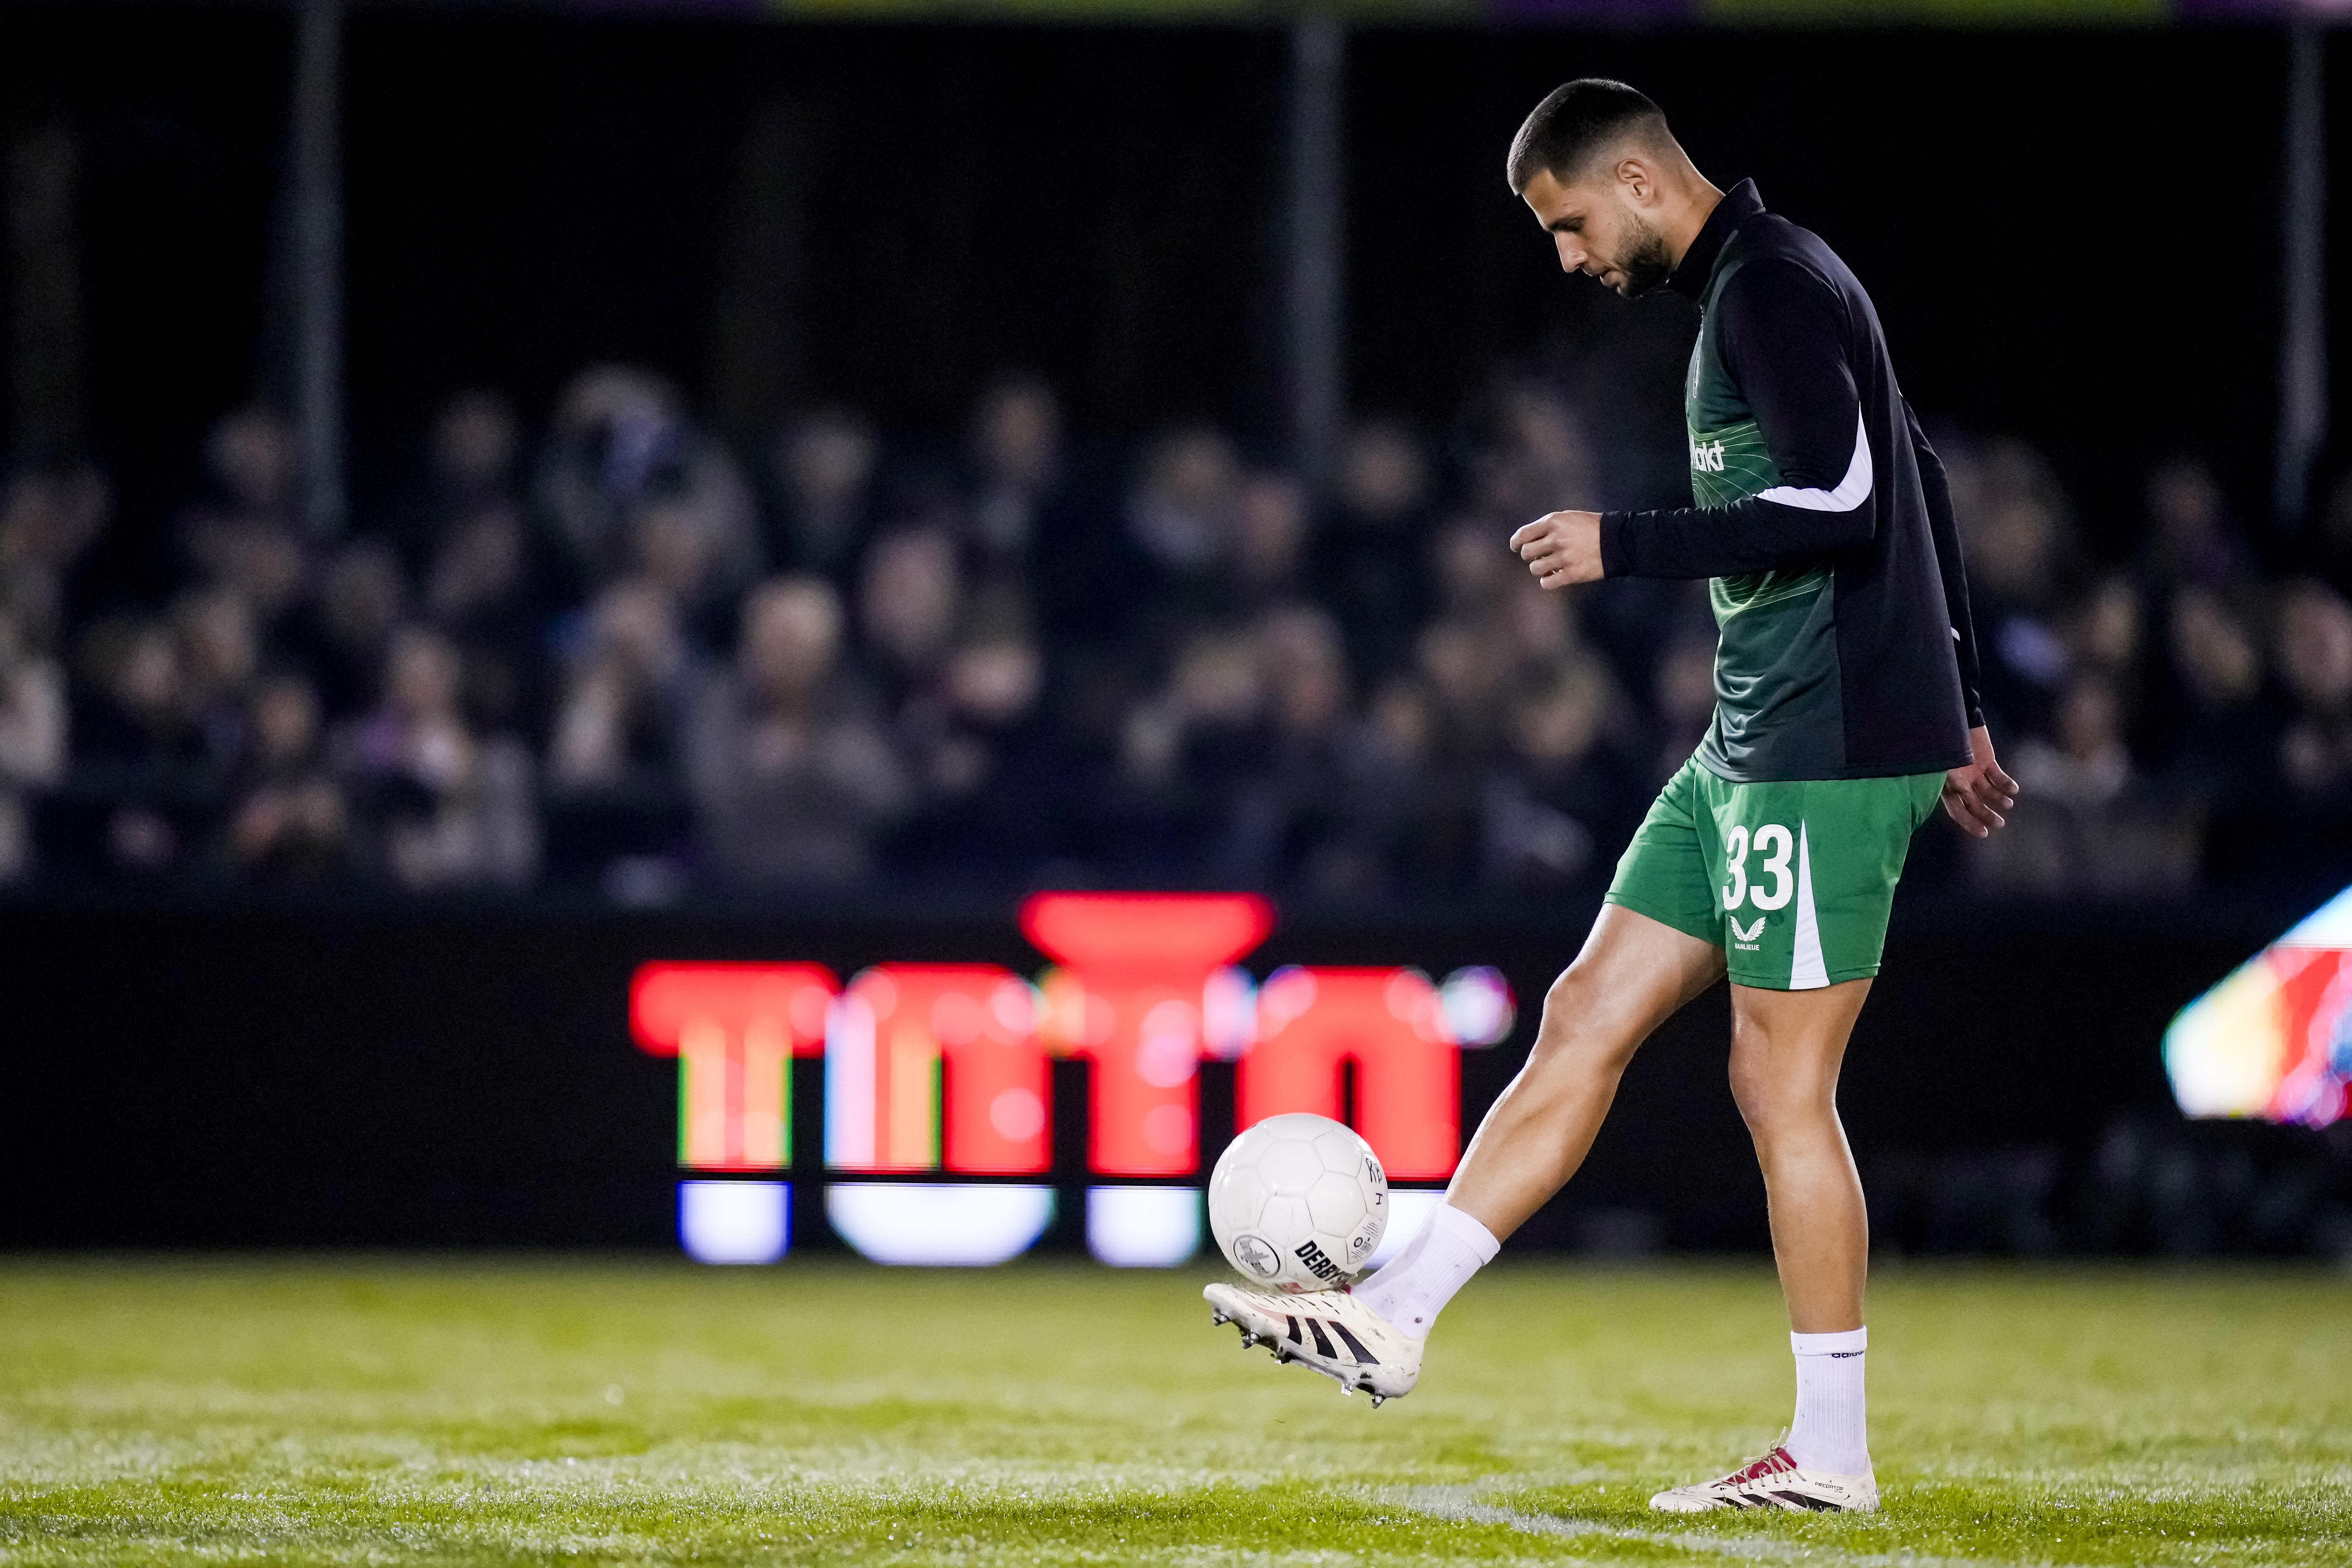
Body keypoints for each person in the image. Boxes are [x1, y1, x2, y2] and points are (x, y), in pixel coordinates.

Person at [1202, 79, 2017, 1517]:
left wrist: (1620, 542)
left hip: (1820, 750)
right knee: (1582, 1010)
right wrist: (1957, 699)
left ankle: (1830, 1453)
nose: (1569, 258)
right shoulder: (1772, 282)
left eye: (1570, 224)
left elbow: (1845, 505)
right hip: (1752, 739)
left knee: (1779, 1084)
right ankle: (1392, 1319)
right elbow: (1918, 472)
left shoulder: (1765, 287)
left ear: (1637, 180)